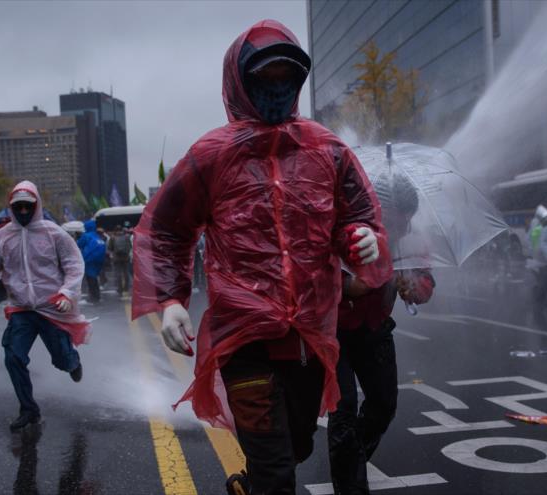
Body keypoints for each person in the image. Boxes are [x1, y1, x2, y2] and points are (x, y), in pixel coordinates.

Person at [131, 20, 391, 495]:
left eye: (285, 78)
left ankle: (251, 484)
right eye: (264, 78)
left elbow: (356, 214)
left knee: (294, 447)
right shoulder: (211, 157)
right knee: (276, 474)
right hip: (243, 338)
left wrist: (361, 237)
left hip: (308, 338)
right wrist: (170, 299)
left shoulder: (327, 150)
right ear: (240, 82)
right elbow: (166, 230)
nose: (276, 88)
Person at [327, 175, 434, 495]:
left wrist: (414, 288)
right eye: (396, 220)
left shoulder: (413, 240)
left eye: (408, 221)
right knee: (343, 410)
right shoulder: (348, 229)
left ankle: (350, 460)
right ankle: (351, 486)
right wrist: (350, 287)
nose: (403, 227)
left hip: (376, 331)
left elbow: (426, 283)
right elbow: (317, 276)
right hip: (336, 332)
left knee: (384, 405)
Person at [0, 181, 89, 432]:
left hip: (52, 307)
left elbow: (74, 266)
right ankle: (29, 410)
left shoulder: (54, 234)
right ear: (10, 207)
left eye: (27, 206)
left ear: (36, 205)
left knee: (61, 360)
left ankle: (72, 361)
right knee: (13, 357)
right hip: (21, 310)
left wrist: (66, 293)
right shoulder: (1, 237)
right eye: (17, 207)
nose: (22, 212)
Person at [77, 220, 106, 303]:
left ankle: (93, 297)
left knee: (90, 278)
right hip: (99, 259)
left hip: (89, 259)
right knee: (94, 277)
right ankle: (97, 295)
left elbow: (79, 244)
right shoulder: (96, 236)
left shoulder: (86, 236)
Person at [107, 224, 133, 295]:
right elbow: (130, 247)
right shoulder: (127, 237)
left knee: (118, 274)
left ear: (115, 230)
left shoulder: (112, 238)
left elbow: (110, 248)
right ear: (122, 230)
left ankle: (120, 289)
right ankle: (126, 288)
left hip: (117, 259)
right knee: (126, 273)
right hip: (126, 258)